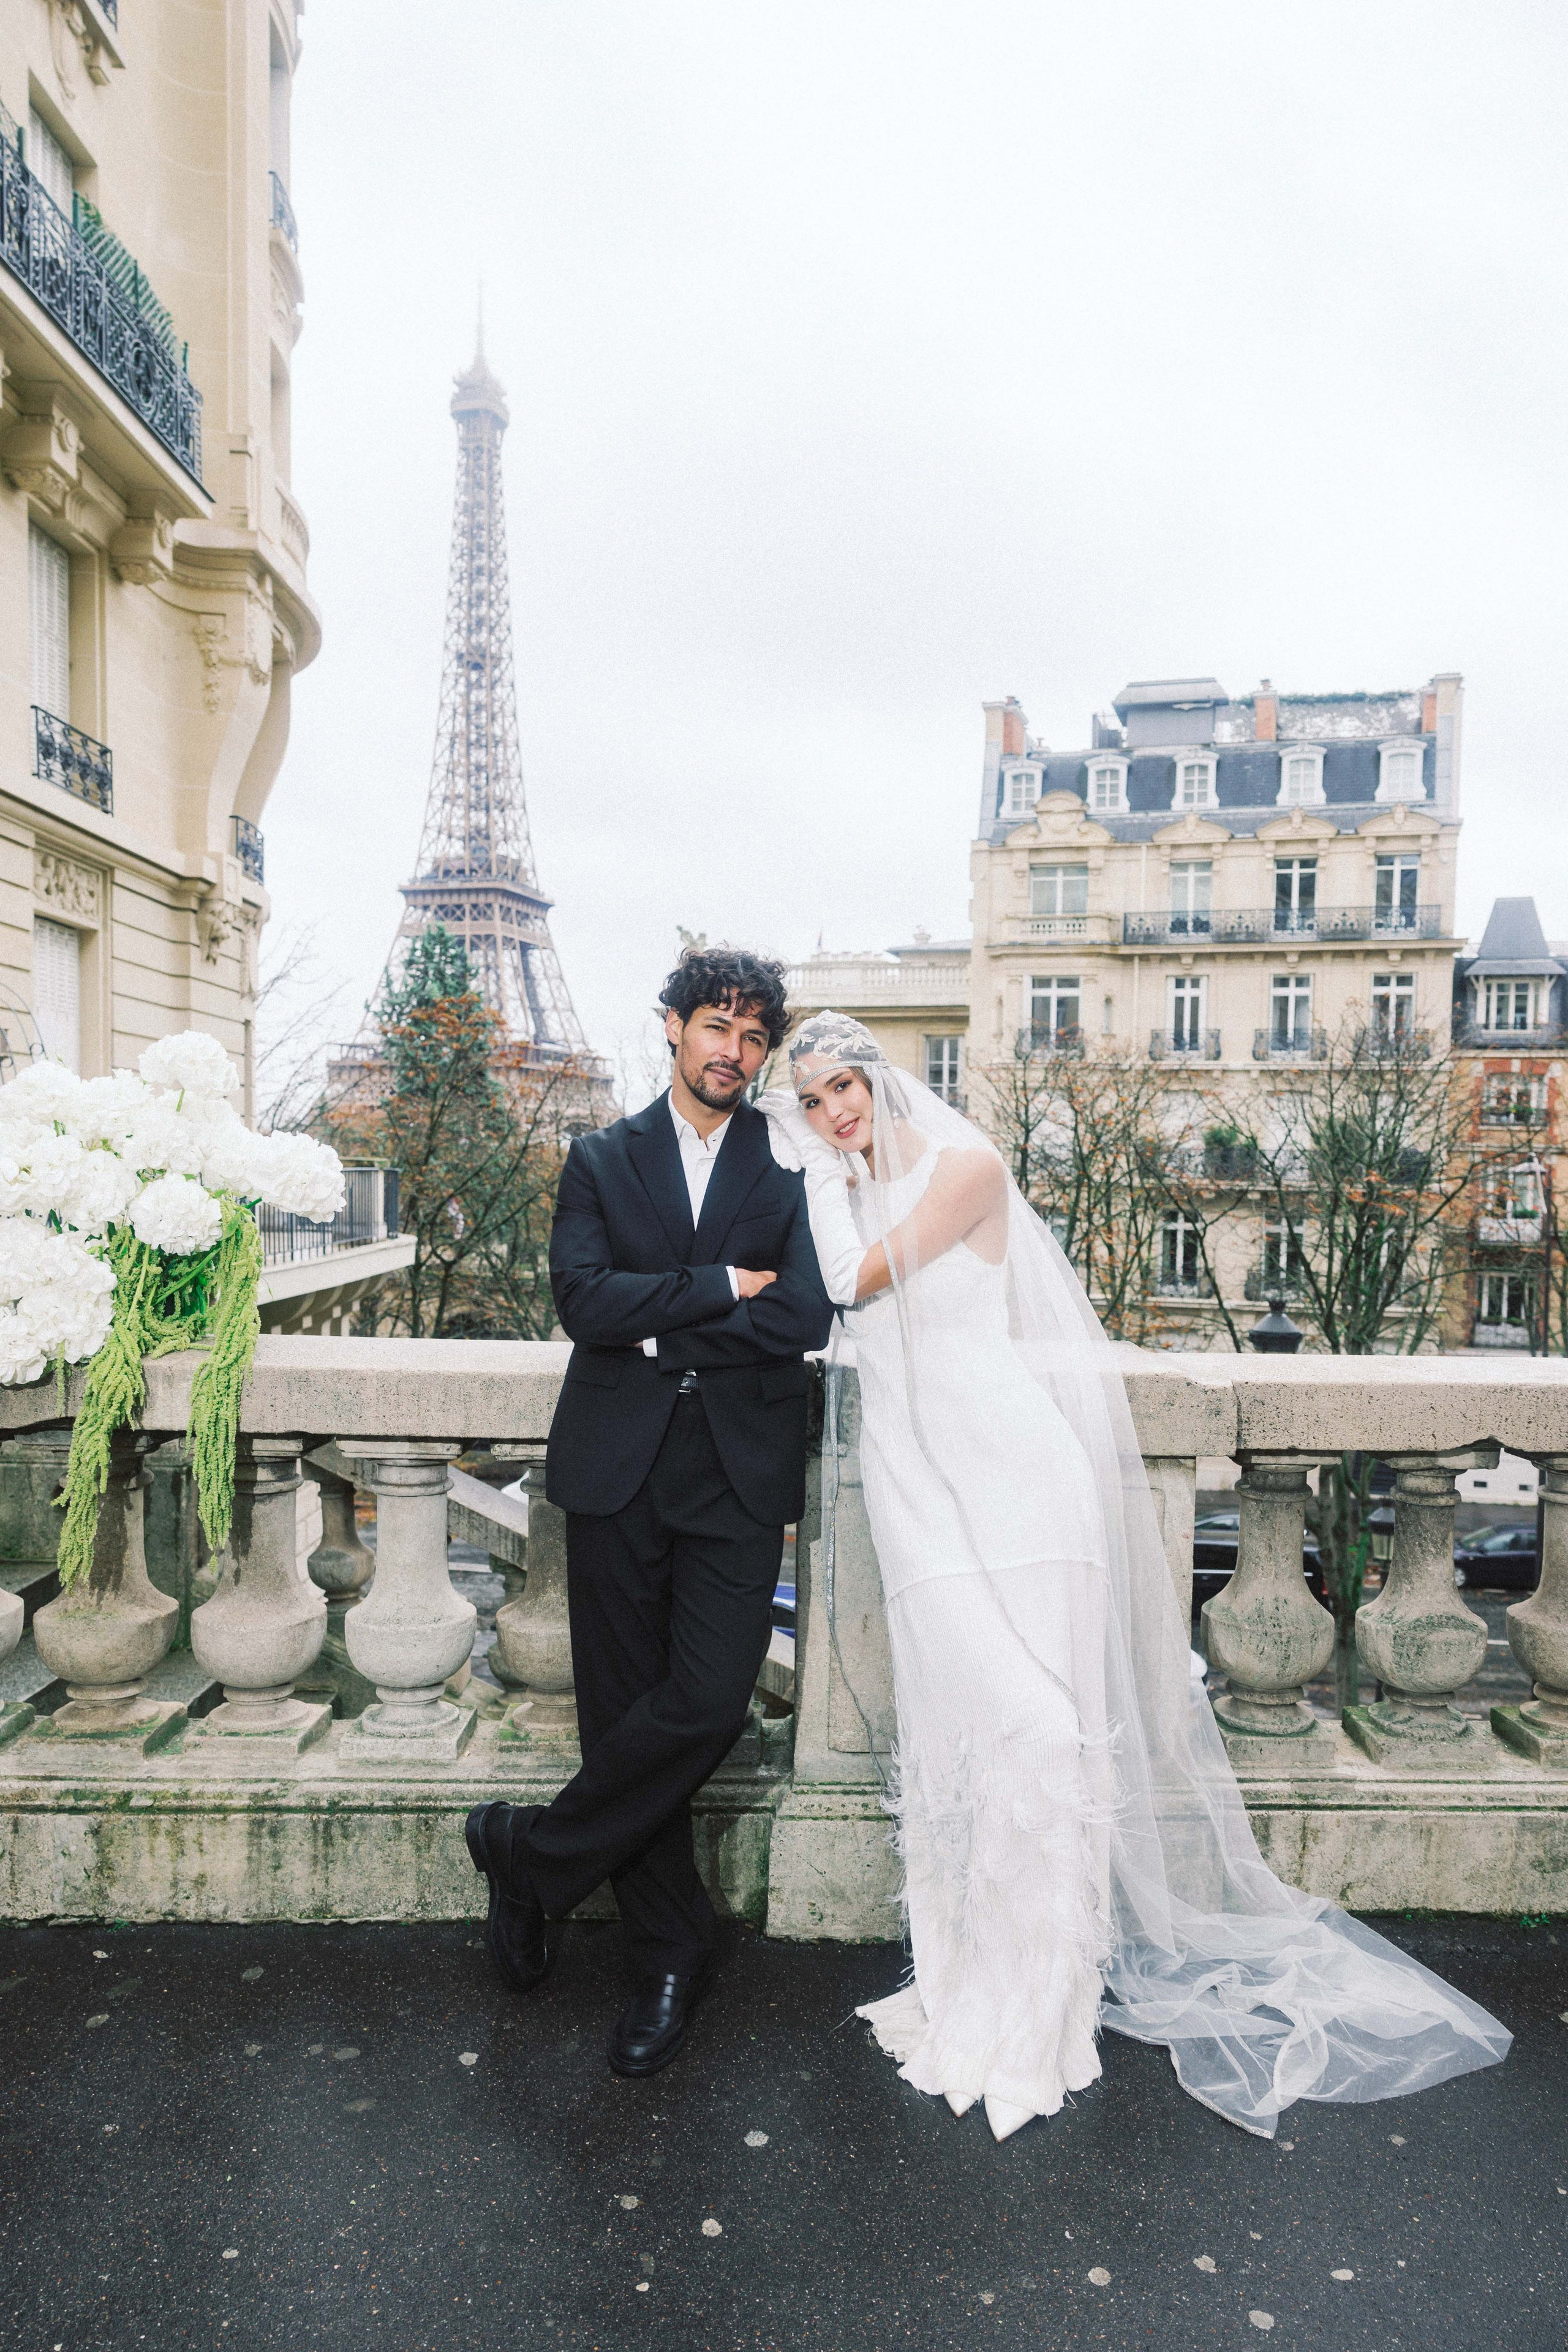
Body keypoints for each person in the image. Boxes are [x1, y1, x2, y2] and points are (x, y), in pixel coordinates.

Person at [756, 1010, 1511, 2143]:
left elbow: (848, 1283)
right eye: (809, 1104)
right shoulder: (851, 1180)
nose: (832, 1115)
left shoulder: (964, 1169)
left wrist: (816, 1174)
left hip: (1014, 1476)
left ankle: (1041, 2006)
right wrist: (824, 1174)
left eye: (842, 1090)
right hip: (919, 1485)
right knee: (969, 1727)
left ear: (879, 1078)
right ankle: (973, 1977)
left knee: (1043, 1730)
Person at [465, 947, 832, 2076]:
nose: (737, 1050)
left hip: (734, 1468)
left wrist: (655, 1320)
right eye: (718, 1026)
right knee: (626, 1713)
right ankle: (667, 1954)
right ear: (671, 1028)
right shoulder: (599, 1158)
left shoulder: (792, 1163)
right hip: (617, 1465)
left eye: (757, 1035)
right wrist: (722, 1290)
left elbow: (806, 1317)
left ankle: (529, 1853)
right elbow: (584, 1302)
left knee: (711, 1700)